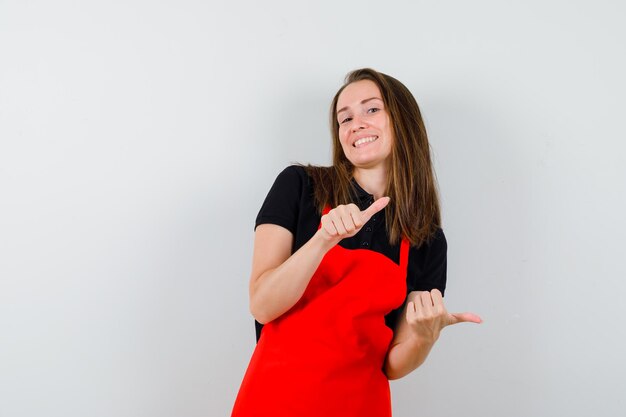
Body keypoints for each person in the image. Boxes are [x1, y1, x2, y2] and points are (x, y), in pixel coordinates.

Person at [231, 68, 481, 417]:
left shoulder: (426, 238)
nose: (355, 123)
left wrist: (424, 338)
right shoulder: (299, 186)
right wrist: (322, 240)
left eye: (371, 110)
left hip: (360, 405)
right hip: (276, 398)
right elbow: (262, 305)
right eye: (344, 118)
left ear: (402, 120)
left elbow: (393, 364)